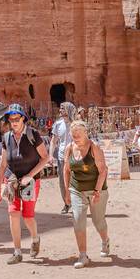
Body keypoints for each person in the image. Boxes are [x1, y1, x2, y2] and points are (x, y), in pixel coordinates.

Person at [0, 103, 49, 264]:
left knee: (27, 216)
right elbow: (3, 164)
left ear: (23, 119)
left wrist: (30, 175)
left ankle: (35, 238)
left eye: (16, 119)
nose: (14, 122)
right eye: (11, 119)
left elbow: (45, 158)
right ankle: (17, 251)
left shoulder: (33, 134)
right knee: (13, 214)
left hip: (31, 182)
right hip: (12, 180)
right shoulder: (6, 137)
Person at [64, 119, 110, 267]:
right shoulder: (69, 148)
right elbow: (66, 170)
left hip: (96, 189)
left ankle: (105, 240)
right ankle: (83, 255)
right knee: (78, 220)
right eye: (73, 133)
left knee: (98, 221)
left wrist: (97, 190)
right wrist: (66, 191)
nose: (76, 136)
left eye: (79, 133)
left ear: (86, 133)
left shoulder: (94, 147)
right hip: (76, 189)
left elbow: (103, 171)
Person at [49, 102, 74, 214]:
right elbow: (53, 141)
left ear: (68, 110)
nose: (60, 111)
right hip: (61, 157)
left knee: (74, 180)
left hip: (75, 157)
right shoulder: (58, 124)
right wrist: (50, 155)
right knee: (62, 181)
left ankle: (76, 203)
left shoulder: (76, 124)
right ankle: (67, 203)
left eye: (62, 109)